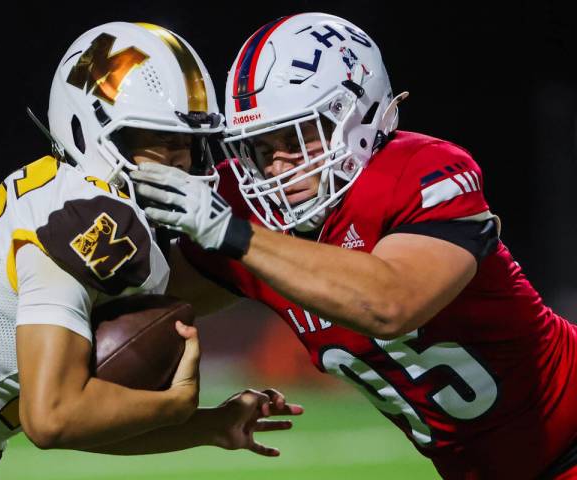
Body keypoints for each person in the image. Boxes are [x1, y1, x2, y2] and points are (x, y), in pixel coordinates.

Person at [130, 13, 577, 480]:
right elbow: (149, 308)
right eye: (261, 148)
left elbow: (392, 304)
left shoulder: (422, 170)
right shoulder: (247, 213)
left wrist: (232, 233)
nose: (278, 168)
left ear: (362, 117)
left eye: (299, 140)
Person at [0, 22, 301, 480]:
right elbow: (52, 418)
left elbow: (78, 421)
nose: (181, 164)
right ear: (90, 130)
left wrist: (209, 425)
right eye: (158, 140)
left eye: (188, 144)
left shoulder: (63, 192)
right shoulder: (92, 221)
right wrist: (176, 403)